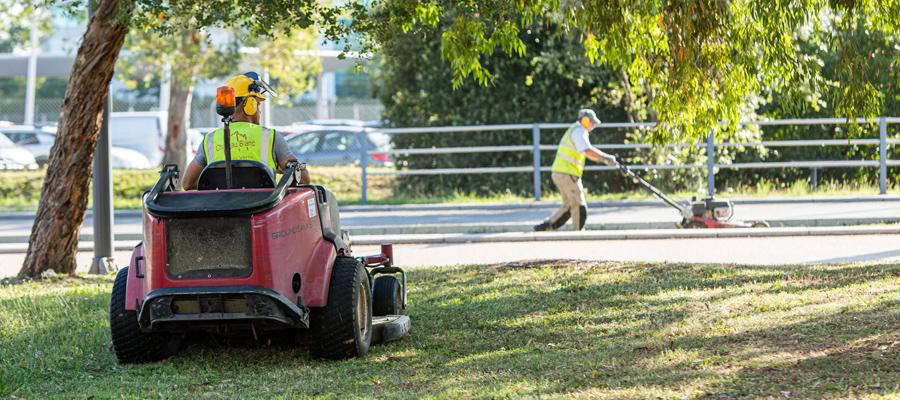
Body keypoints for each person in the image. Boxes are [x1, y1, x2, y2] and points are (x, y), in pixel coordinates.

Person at [182, 72, 310, 190]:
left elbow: (187, 184)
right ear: (250, 104)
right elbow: (303, 178)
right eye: (258, 105)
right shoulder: (270, 137)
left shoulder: (209, 140)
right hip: (261, 210)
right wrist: (274, 168)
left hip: (219, 210)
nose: (259, 111)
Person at [534, 109, 617, 231]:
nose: (593, 126)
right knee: (579, 206)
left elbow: (587, 153)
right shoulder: (579, 131)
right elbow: (587, 150)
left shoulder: (575, 130)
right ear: (585, 120)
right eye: (592, 123)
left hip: (562, 173)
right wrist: (605, 158)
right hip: (567, 174)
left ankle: (546, 227)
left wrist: (604, 159)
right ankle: (578, 235)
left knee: (568, 206)